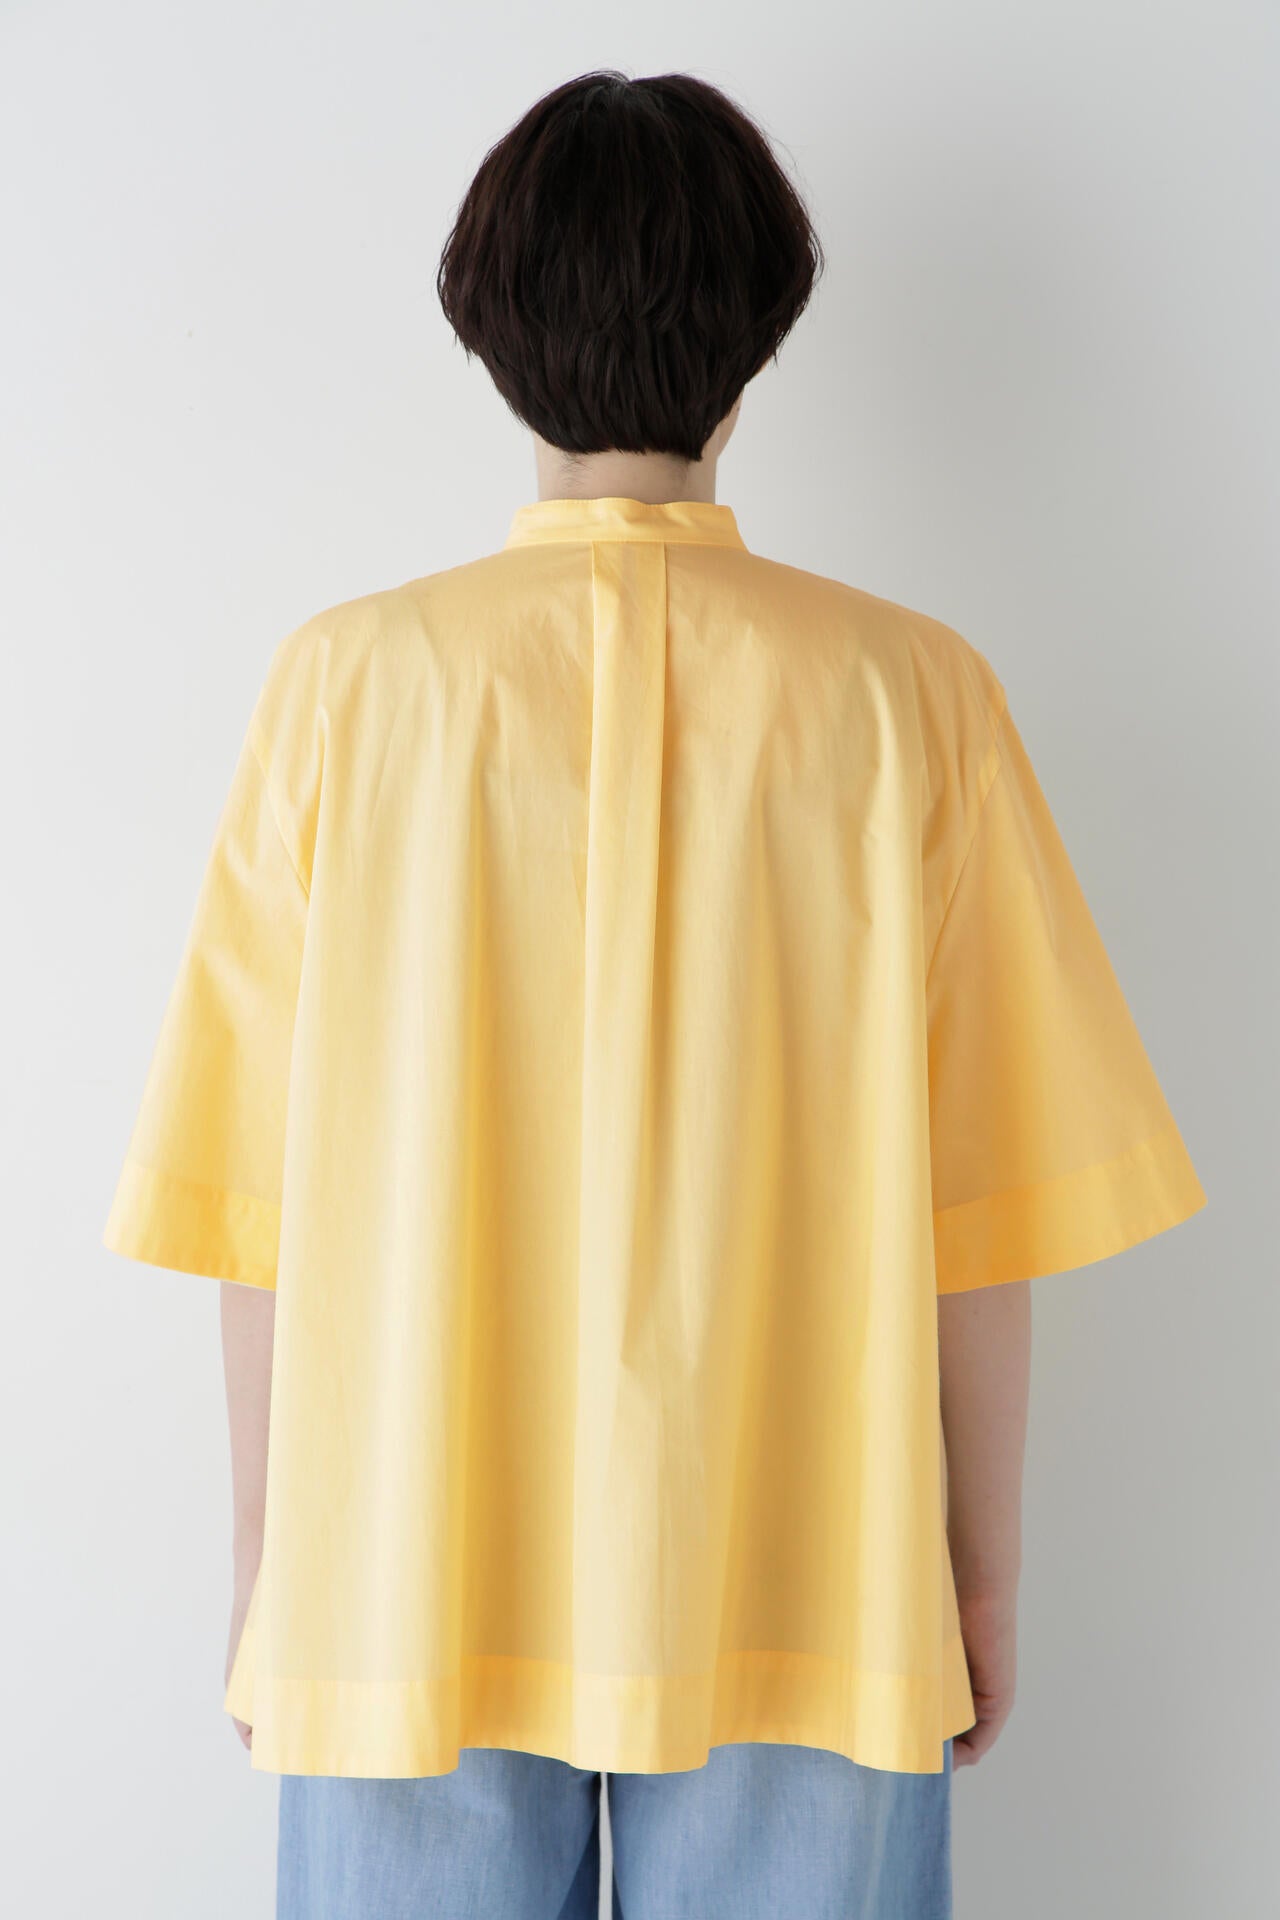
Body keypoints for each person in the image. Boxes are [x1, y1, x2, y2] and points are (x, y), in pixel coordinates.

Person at [101, 69, 1207, 1920]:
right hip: (811, 1567)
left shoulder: (346, 689)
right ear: (756, 339)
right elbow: (983, 1208)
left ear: (489, 328)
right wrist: (977, 1578)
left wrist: (273, 1562)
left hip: (406, 1572)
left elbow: (257, 1203)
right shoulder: (910, 696)